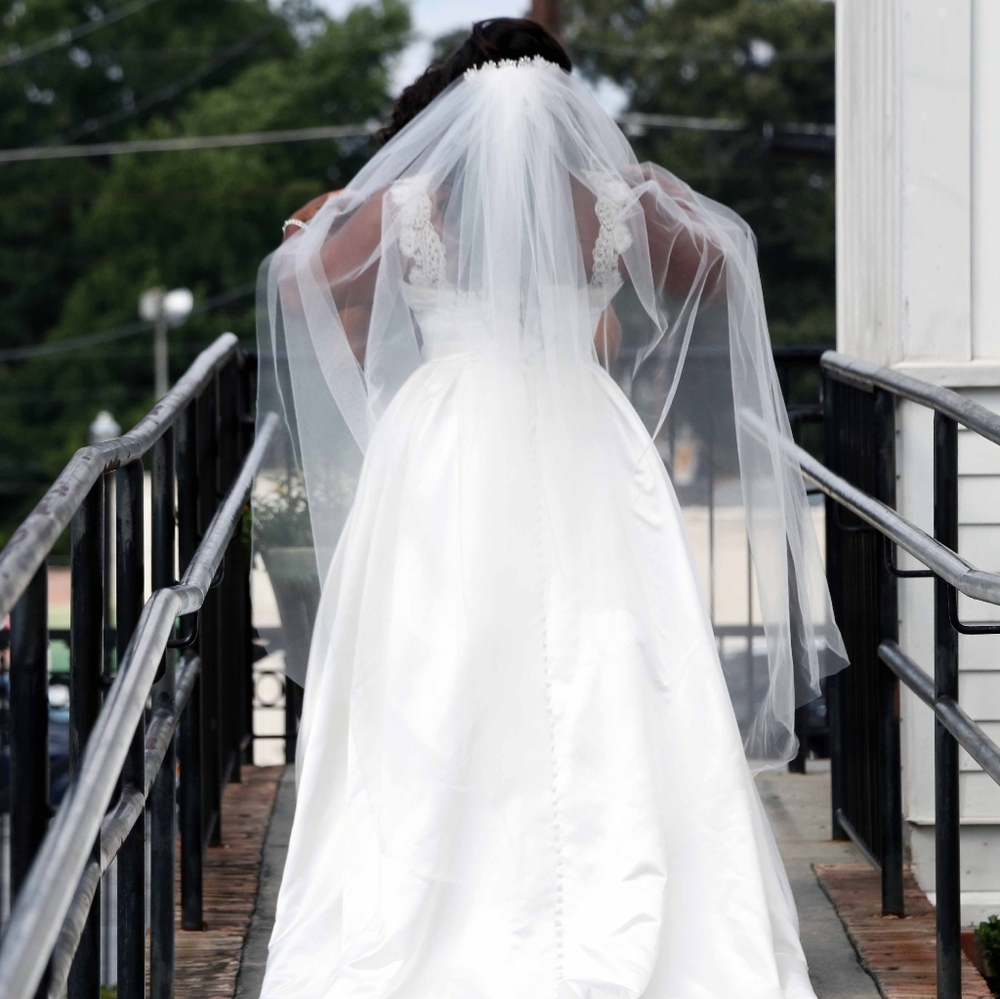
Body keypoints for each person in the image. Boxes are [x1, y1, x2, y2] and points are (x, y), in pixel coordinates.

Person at [254, 17, 847, 999]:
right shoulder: (607, 200)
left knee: (438, 660)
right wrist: (648, 199)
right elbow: (718, 268)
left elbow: (301, 279)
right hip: (583, 434)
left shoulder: (411, 199)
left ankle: (441, 899)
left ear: (453, 106)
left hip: (447, 442)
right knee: (604, 650)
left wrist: (327, 212)